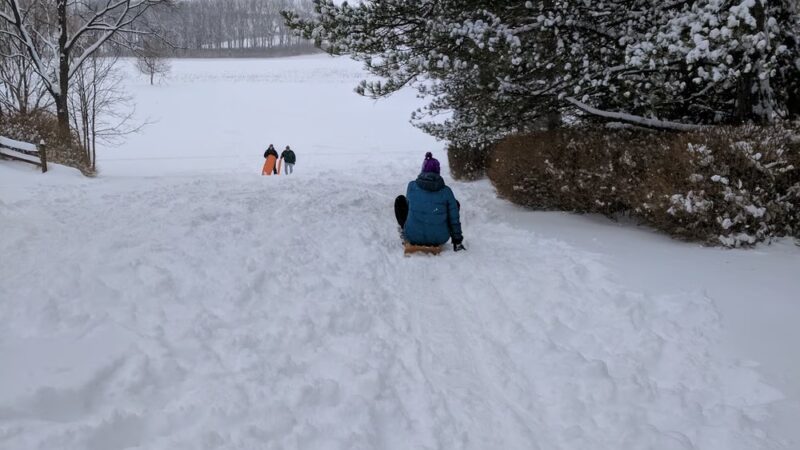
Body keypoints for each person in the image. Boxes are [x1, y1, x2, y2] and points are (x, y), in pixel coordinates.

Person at [395, 154, 465, 251]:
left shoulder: (412, 186)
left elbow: (409, 209)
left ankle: (405, 230)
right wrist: (457, 240)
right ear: (438, 171)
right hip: (439, 238)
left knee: (400, 201)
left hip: (413, 235)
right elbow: (454, 219)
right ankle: (436, 230)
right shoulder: (446, 191)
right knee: (453, 205)